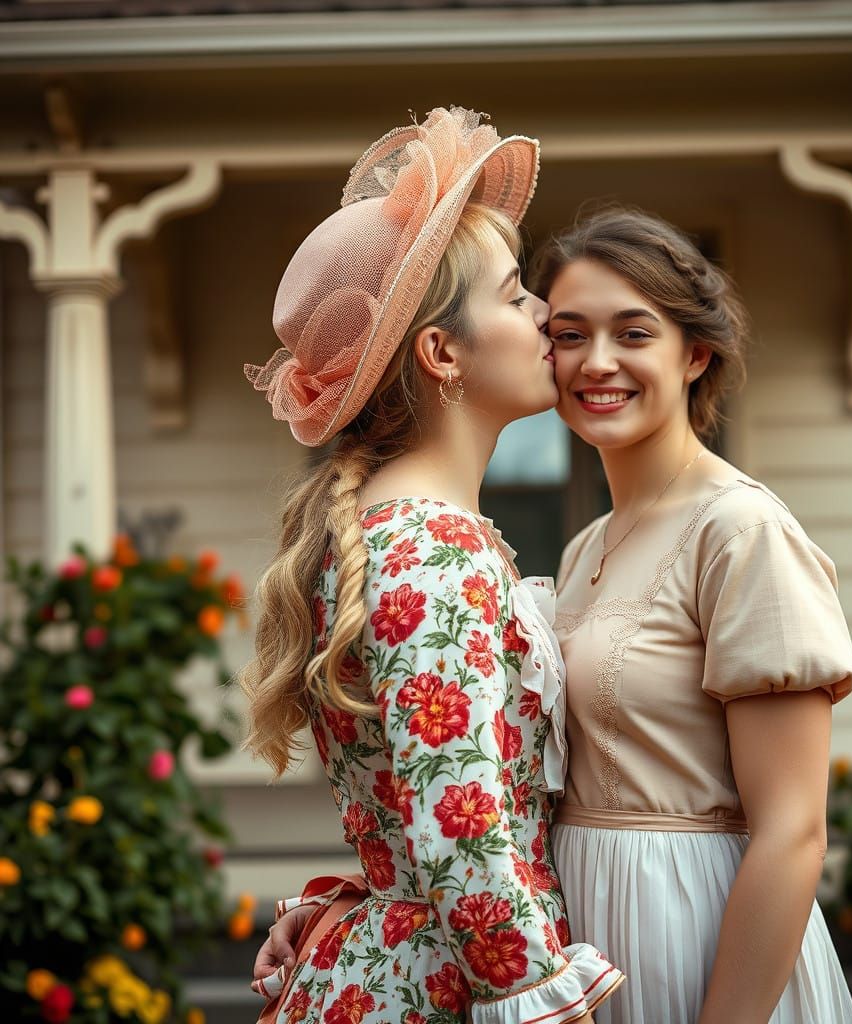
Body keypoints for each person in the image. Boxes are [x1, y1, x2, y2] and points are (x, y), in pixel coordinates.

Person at [241, 108, 623, 1024]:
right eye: (513, 293)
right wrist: (539, 996)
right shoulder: (431, 545)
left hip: (411, 960)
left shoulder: (402, 530)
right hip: (450, 983)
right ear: (442, 352)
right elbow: (460, 823)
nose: (545, 315)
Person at [531, 206, 852, 1023]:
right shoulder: (584, 550)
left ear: (695, 354)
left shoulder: (741, 531)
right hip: (587, 946)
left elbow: (794, 832)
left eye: (634, 333)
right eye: (569, 335)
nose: (596, 362)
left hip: (698, 934)